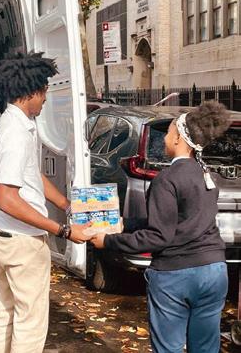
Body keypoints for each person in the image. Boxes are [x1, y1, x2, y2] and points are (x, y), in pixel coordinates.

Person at [90, 100, 230, 353]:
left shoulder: (166, 179)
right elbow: (180, 221)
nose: (164, 138)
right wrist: (125, 224)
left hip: (175, 275)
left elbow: (159, 236)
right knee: (206, 347)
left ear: (178, 139)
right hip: (213, 271)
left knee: (168, 348)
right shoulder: (205, 175)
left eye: (168, 132)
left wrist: (108, 241)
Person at [0, 52, 90, 353]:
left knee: (5, 312)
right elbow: (7, 198)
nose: (45, 99)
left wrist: (67, 205)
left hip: (6, 235)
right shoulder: (16, 134)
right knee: (30, 321)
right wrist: (63, 230)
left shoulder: (17, 123)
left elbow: (33, 175)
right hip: (22, 240)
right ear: (30, 92)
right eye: (43, 92)